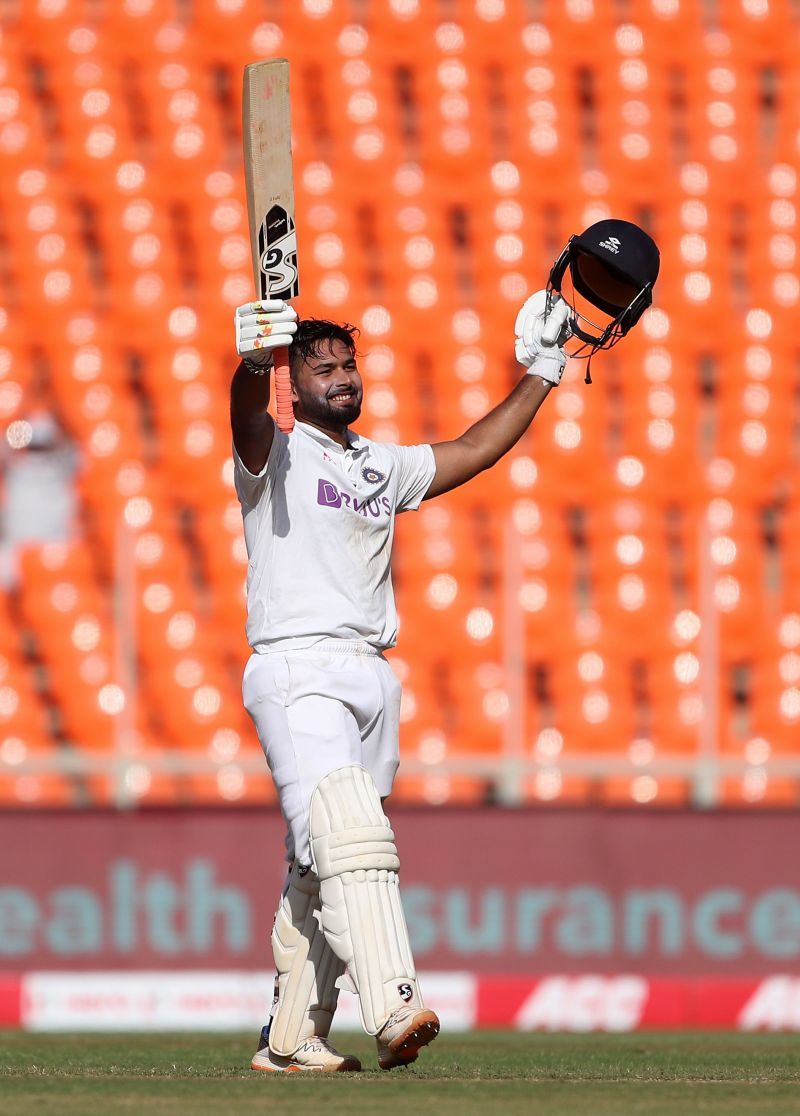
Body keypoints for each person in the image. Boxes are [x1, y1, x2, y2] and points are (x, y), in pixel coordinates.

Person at [230, 218, 659, 1073]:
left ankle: (289, 1040)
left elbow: (472, 451)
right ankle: (393, 1006)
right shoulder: (273, 454)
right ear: (294, 382)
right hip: (296, 664)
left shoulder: (377, 466)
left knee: (328, 862)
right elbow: (246, 421)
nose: (345, 378)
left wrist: (545, 370)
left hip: (369, 672)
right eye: (325, 368)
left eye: (350, 365)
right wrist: (249, 370)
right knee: (347, 833)